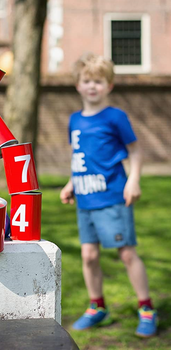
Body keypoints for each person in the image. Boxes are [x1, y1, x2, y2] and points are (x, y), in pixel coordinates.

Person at [60, 53, 157, 337]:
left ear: (109, 85)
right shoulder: (74, 120)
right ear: (78, 85)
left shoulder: (116, 117)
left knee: (126, 253)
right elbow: (79, 157)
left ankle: (147, 308)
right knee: (89, 256)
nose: (92, 86)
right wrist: (70, 183)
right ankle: (97, 307)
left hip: (113, 196)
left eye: (98, 81)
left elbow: (135, 151)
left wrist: (134, 180)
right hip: (85, 199)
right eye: (87, 81)